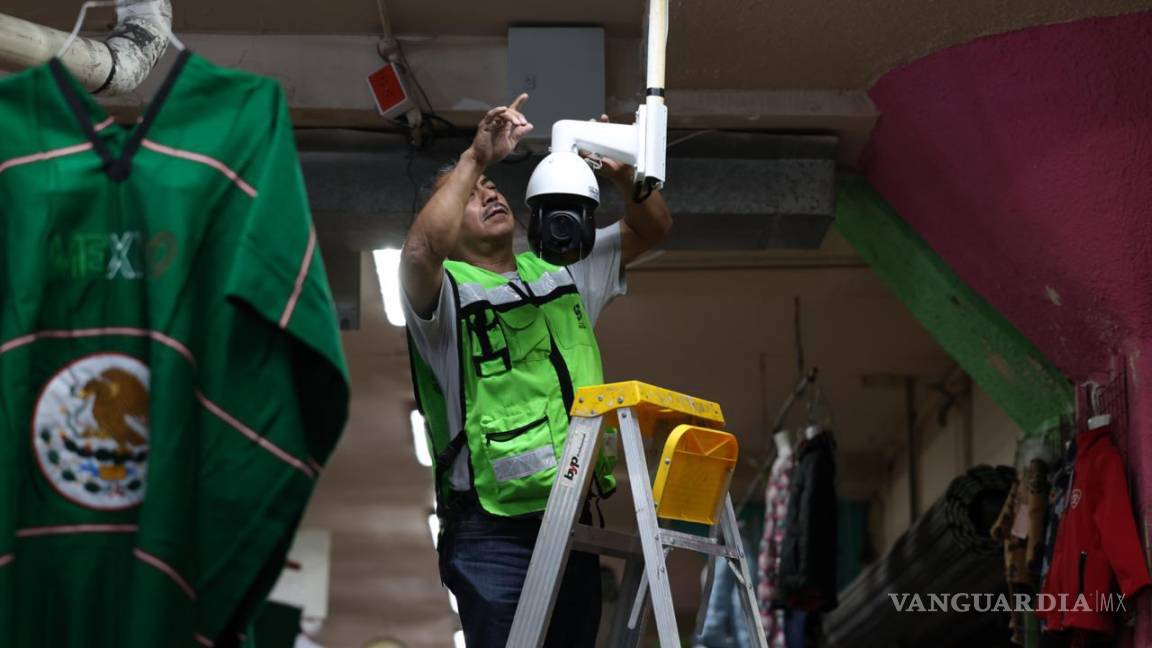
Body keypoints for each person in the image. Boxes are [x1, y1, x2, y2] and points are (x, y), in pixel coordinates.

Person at [400, 94, 672, 647]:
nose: (489, 193)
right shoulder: (442, 298)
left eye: (491, 187)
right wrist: (476, 157)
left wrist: (625, 175)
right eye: (470, 195)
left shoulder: (562, 271)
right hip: (490, 532)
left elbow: (653, 230)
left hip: (572, 519)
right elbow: (423, 249)